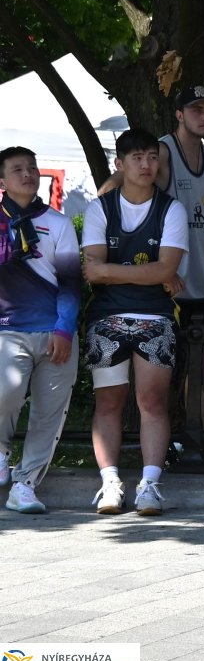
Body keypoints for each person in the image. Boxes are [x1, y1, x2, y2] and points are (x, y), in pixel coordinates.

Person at [95, 85, 204, 452]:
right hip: (166, 285)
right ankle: (168, 448)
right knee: (161, 379)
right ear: (179, 114)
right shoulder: (160, 152)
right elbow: (119, 186)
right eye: (196, 109)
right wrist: (102, 205)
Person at [81, 128, 188, 516]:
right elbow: (91, 274)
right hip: (106, 317)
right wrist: (152, 273)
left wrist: (112, 269)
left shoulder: (171, 209)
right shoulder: (99, 209)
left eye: (152, 157)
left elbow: (167, 268)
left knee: (152, 400)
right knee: (109, 401)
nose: (146, 165)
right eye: (138, 157)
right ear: (120, 163)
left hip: (155, 317)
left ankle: (150, 484)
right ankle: (110, 482)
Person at [0, 146, 84, 514]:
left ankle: (26, 485)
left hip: (54, 332)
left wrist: (64, 330)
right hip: (7, 330)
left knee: (49, 415)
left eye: (32, 168)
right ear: (2, 181)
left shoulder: (60, 223)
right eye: (17, 169)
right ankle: (1, 453)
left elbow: (70, 284)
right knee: (7, 390)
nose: (27, 174)